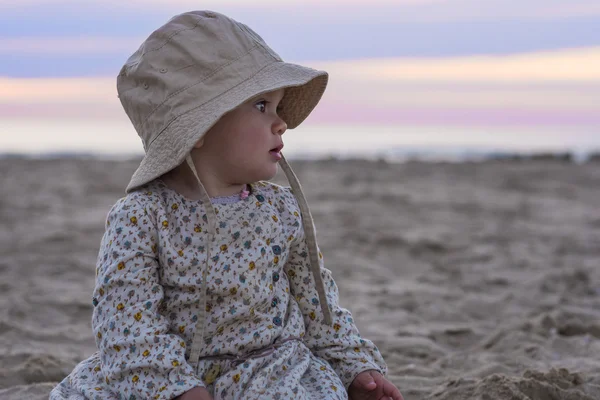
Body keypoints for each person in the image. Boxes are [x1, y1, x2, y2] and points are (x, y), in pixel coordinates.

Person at [50, 10, 403, 400]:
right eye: (261, 106)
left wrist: (354, 367)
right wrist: (177, 389)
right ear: (199, 128)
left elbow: (318, 305)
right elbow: (126, 327)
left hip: (270, 372)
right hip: (163, 374)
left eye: (278, 106)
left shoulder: (280, 210)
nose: (280, 122)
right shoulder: (141, 217)